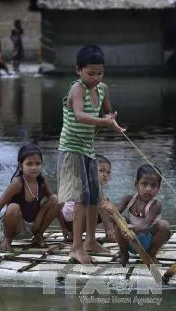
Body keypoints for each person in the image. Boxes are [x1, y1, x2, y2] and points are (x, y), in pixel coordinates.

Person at [57, 44, 126, 264]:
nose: (96, 78)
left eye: (100, 73)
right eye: (90, 73)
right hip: (71, 148)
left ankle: (90, 241)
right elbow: (79, 115)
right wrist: (104, 122)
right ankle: (76, 247)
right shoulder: (77, 89)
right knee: (81, 196)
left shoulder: (103, 88)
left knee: (94, 192)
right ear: (78, 70)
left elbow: (107, 112)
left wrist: (113, 122)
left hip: (88, 147)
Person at [0, 144, 59, 251]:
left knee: (56, 199)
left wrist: (65, 229)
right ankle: (7, 239)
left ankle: (38, 235)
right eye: (29, 164)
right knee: (13, 207)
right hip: (17, 227)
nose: (34, 167)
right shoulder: (18, 183)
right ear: (21, 166)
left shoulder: (42, 181)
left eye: (37, 163)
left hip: (35, 225)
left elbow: (56, 206)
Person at [104, 164, 171, 266]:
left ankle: (151, 256)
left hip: (148, 243)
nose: (148, 189)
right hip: (129, 241)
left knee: (164, 225)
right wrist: (110, 211)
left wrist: (131, 228)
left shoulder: (156, 205)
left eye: (153, 185)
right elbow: (113, 219)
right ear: (136, 184)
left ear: (158, 188)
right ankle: (124, 253)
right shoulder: (128, 199)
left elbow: (145, 226)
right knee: (121, 219)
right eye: (144, 184)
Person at [58, 154, 116, 242]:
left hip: (70, 223)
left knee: (104, 203)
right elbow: (102, 207)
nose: (105, 175)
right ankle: (110, 232)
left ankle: (73, 234)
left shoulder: (81, 182)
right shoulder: (93, 187)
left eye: (108, 172)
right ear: (91, 171)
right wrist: (109, 229)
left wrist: (63, 227)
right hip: (75, 222)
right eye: (101, 171)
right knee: (104, 205)